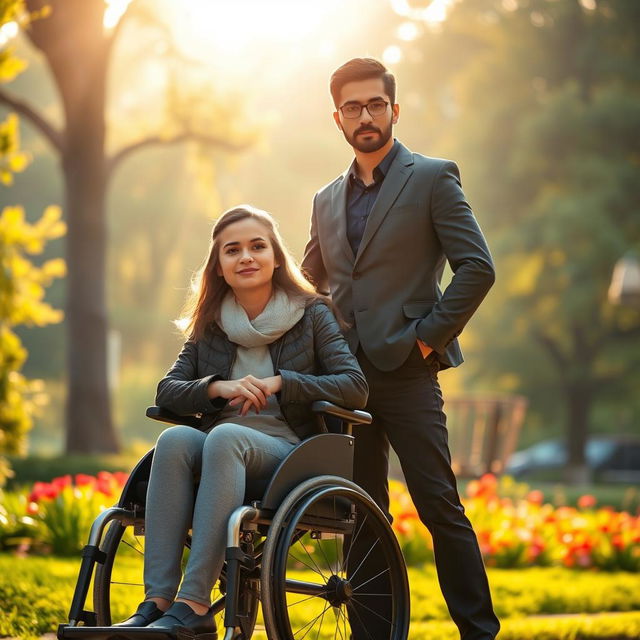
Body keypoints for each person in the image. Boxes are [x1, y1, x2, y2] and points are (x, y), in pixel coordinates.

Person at [302, 58, 500, 640]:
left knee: (440, 507)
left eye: (376, 104)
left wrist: (425, 338)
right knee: (362, 513)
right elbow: (309, 280)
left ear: (394, 109)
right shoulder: (323, 198)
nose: (366, 116)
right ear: (336, 118)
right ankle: (374, 633)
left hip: (409, 372)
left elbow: (477, 268)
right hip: (345, 377)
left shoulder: (433, 178)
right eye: (353, 107)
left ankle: (478, 632)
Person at [115, 205, 368, 635]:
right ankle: (156, 602)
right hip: (221, 446)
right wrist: (219, 388)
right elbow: (167, 390)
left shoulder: (313, 314)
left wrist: (280, 383)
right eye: (233, 250)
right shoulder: (211, 324)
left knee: (227, 436)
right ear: (219, 266)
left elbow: (353, 385)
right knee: (176, 441)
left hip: (288, 451)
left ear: (275, 257)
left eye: (257, 246)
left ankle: (193, 604)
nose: (246, 257)